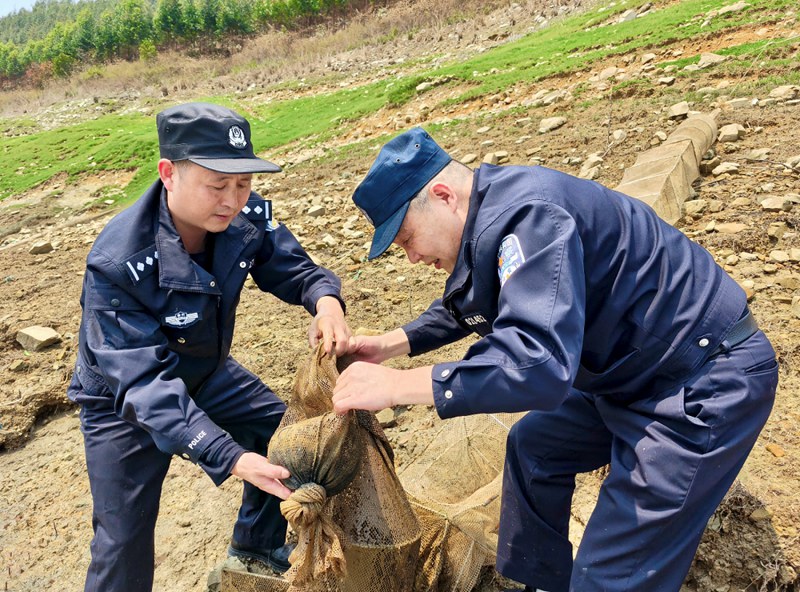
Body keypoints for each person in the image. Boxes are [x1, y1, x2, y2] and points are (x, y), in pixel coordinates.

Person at [332, 127, 778, 592]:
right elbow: (476, 297)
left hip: (700, 383)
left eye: (406, 239)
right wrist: (392, 343)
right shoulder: (493, 215)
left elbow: (539, 366)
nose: (411, 258)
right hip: (629, 375)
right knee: (534, 449)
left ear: (443, 196)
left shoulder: (530, 216)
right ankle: (543, 582)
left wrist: (398, 385)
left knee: (610, 578)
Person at [68, 102, 352, 592]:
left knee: (282, 431)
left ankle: (256, 545)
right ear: (169, 175)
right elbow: (143, 384)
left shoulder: (245, 216)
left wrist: (325, 300)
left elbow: (289, 266)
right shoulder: (119, 262)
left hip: (206, 368)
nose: (233, 199)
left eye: (243, 184)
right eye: (217, 185)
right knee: (122, 539)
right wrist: (227, 455)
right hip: (123, 399)